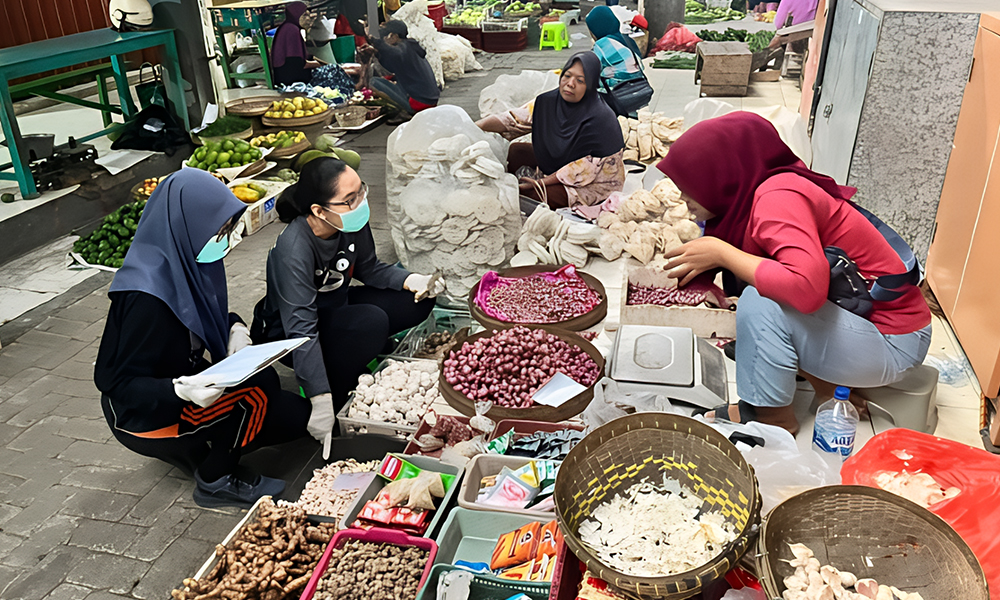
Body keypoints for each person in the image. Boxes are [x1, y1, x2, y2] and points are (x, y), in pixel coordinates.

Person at [658, 113, 931, 435]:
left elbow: (805, 290)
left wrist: (723, 254)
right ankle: (823, 383)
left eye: (689, 186)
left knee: (759, 302)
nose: (683, 198)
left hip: (892, 341)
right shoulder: (769, 187)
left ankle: (773, 419)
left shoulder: (777, 199)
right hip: (872, 322)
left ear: (722, 177)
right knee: (758, 306)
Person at [94, 169, 310, 509]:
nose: (225, 241)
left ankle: (200, 446)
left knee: (296, 417)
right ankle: (215, 478)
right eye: (219, 231)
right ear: (188, 225)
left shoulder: (184, 261)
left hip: (186, 381)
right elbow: (115, 382)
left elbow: (203, 316)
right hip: (144, 414)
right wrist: (179, 391)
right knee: (257, 392)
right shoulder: (146, 299)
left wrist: (235, 329)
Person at [251, 157, 443, 439]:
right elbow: (301, 329)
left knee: (415, 300)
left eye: (361, 190)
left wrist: (412, 280)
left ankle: (356, 346)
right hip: (287, 332)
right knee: (370, 323)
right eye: (350, 199)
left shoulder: (349, 222)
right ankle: (337, 381)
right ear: (319, 210)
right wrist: (320, 397)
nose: (361, 202)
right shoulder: (294, 249)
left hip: (333, 306)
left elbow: (369, 268)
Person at [476, 52, 625, 208]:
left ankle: (539, 190)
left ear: (590, 85)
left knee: (529, 196)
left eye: (580, 80)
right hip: (561, 163)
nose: (570, 84)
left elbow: (585, 168)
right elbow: (513, 119)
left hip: (591, 182)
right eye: (567, 76)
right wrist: (475, 126)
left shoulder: (601, 118)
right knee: (516, 151)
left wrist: (541, 183)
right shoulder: (547, 102)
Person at [271, 2, 359, 96]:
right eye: (305, 15)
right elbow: (296, 64)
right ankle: (355, 89)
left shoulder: (288, 27)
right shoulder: (291, 30)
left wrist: (321, 63)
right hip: (290, 78)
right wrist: (318, 65)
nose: (309, 19)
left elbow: (305, 57)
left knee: (340, 67)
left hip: (288, 74)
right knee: (338, 72)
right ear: (296, 15)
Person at [365, 20, 440, 115]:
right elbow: (391, 66)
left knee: (373, 82)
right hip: (430, 99)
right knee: (383, 80)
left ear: (393, 36)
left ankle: (405, 112)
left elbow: (394, 52)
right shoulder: (410, 46)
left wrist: (376, 41)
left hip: (419, 102)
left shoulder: (403, 48)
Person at [586, 6, 645, 89]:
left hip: (618, 91)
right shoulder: (627, 39)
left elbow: (590, 71)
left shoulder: (601, 45)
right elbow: (641, 66)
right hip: (640, 86)